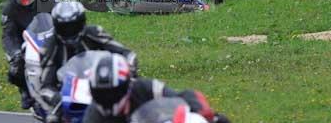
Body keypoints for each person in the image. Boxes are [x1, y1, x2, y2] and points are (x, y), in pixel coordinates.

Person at [39, 1, 137, 122]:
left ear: (82, 23)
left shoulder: (94, 32)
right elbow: (45, 86)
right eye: (65, 28)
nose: (70, 32)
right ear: (57, 27)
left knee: (132, 102)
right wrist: (56, 98)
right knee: (53, 118)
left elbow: (125, 53)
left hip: (102, 83)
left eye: (73, 26)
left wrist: (130, 67)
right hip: (69, 94)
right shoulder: (50, 46)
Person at [84, 53, 231, 123]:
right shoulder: (93, 116)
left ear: (127, 85)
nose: (108, 98)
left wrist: (199, 110)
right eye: (101, 93)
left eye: (113, 92)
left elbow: (180, 97)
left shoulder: (145, 88)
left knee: (220, 120)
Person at [1, 0, 59, 109]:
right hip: (26, 44)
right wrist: (15, 53)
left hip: (53, 38)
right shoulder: (10, 9)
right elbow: (8, 35)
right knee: (15, 69)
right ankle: (26, 91)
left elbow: (64, 15)